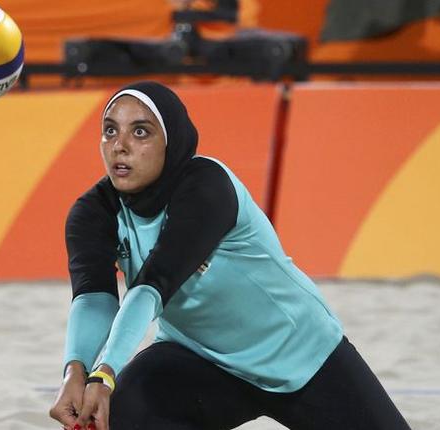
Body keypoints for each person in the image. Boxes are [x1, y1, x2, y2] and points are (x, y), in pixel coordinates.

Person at [49, 81, 411, 430]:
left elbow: (152, 287)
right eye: (110, 131)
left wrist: (105, 372)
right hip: (200, 359)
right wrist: (76, 371)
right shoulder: (92, 212)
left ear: (170, 142)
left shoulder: (207, 186)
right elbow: (94, 298)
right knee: (125, 413)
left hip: (298, 354)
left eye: (140, 132)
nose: (119, 146)